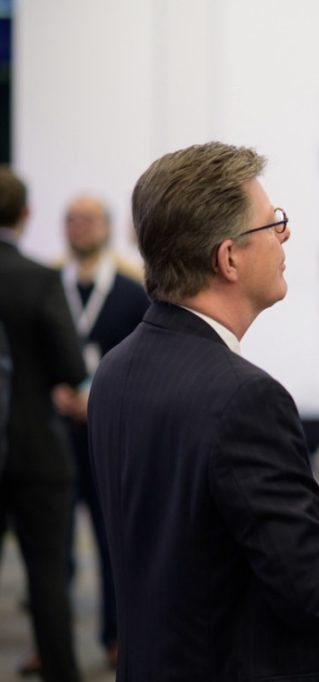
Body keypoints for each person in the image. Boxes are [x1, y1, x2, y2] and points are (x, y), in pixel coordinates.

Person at [87, 142, 319, 681]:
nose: (285, 236)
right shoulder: (246, 397)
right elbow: (317, 586)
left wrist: (309, 515)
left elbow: (197, 527)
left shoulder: (117, 369)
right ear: (228, 258)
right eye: (271, 225)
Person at [53, 195, 150, 668]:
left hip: (109, 433)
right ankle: (49, 641)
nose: (79, 228)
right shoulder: (50, 286)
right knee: (52, 543)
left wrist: (102, 397)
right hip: (54, 435)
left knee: (114, 540)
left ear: (108, 228)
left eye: (88, 219)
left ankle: (118, 636)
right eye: (71, 219)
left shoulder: (133, 293)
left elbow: (143, 362)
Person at [0, 166, 87, 682]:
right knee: (48, 578)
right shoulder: (39, 278)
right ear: (28, 215)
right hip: (36, 452)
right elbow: (72, 368)